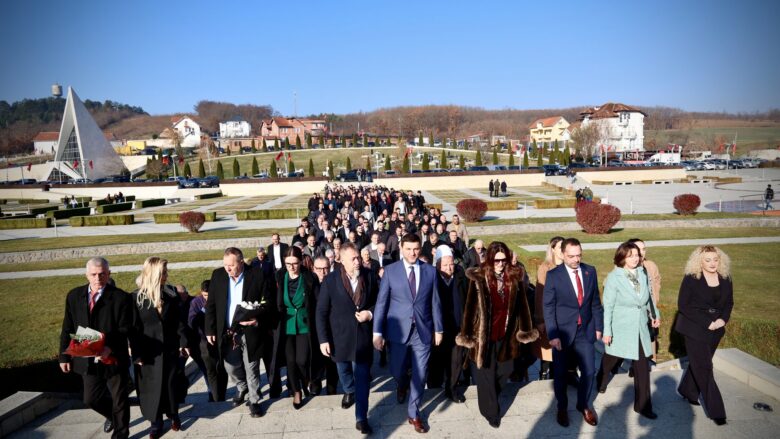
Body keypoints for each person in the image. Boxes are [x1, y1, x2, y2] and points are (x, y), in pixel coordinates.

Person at [456, 242, 538, 428]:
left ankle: (490, 394)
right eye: (497, 260)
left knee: (505, 370)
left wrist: (525, 330)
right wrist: (467, 334)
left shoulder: (514, 277)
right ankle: (491, 412)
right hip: (483, 335)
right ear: (490, 260)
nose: (500, 264)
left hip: (506, 335)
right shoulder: (478, 278)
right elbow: (469, 308)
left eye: (504, 260)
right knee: (485, 373)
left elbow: (523, 307)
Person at [373, 233, 443, 434]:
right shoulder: (390, 271)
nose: (413, 253)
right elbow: (381, 303)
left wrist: (438, 329)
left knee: (420, 374)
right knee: (397, 370)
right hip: (398, 332)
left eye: (416, 249)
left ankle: (414, 413)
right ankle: (401, 384)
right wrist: (377, 332)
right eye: (409, 249)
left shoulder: (430, 271)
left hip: (423, 331)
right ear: (401, 248)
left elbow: (435, 302)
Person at [59, 257, 132, 439]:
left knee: (119, 399)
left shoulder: (121, 297)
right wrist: (63, 356)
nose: (98, 278)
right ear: (86, 275)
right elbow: (68, 327)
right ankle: (113, 417)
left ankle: (121, 434)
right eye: (93, 274)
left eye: (102, 274)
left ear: (109, 274)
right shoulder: (74, 296)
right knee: (91, 399)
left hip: (113, 357)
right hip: (87, 358)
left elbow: (126, 328)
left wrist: (109, 347)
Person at [205, 247, 276, 418]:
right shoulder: (218, 275)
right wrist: (210, 329)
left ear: (241, 262)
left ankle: (254, 400)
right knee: (230, 365)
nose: (227, 269)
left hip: (250, 330)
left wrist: (258, 320)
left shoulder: (257, 275)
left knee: (251, 367)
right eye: (225, 265)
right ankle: (241, 386)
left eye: (231, 265)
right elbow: (211, 306)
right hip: (228, 331)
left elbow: (269, 302)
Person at [316, 242, 379, 435]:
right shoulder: (330, 281)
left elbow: (381, 302)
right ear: (341, 260)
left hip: (363, 338)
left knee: (362, 378)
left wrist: (370, 313)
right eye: (353, 258)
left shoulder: (369, 276)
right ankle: (349, 390)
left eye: (358, 257)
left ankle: (361, 417)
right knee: (343, 370)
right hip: (339, 338)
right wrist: (323, 339)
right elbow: (321, 312)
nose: (358, 261)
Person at [543, 238, 604, 428]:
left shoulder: (590, 271)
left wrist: (599, 327)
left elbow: (595, 302)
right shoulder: (554, 275)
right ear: (562, 254)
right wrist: (553, 335)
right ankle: (562, 407)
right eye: (571, 256)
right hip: (562, 333)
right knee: (560, 373)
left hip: (584, 332)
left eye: (579, 255)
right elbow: (548, 306)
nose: (576, 260)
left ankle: (583, 405)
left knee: (589, 371)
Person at [596, 242, 660, 420]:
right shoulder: (613, 278)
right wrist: (607, 331)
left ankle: (643, 405)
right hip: (620, 327)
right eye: (630, 255)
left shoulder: (642, 272)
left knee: (642, 366)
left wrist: (655, 314)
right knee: (611, 357)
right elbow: (607, 306)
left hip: (640, 327)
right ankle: (601, 377)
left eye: (637, 255)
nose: (635, 258)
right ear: (622, 257)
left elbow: (648, 298)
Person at [129, 257, 189, 438]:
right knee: (151, 389)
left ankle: (174, 414)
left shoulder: (171, 294)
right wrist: (136, 353)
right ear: (154, 274)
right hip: (148, 353)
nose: (167, 275)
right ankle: (156, 423)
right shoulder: (136, 298)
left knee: (171, 385)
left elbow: (180, 322)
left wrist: (183, 343)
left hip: (170, 350)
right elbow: (134, 329)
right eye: (164, 272)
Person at [675, 245, 733, 426]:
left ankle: (688, 390)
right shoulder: (691, 278)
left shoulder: (726, 278)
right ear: (699, 261)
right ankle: (717, 411)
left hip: (717, 329)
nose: (712, 263)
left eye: (715, 259)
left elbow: (729, 302)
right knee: (705, 367)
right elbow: (683, 306)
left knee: (699, 363)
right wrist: (707, 322)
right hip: (694, 328)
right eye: (707, 260)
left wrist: (722, 320)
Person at [273, 246, 320, 410]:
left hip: (304, 324)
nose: (291, 267)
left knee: (302, 359)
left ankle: (307, 379)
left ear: (301, 262)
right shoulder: (279, 276)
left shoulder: (309, 277)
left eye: (295, 263)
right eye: (288, 263)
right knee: (291, 362)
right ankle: (297, 391)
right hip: (285, 325)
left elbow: (317, 302)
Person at [428, 246, 469, 403]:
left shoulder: (461, 277)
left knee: (456, 361)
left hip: (458, 328)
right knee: (436, 361)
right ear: (437, 265)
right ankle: (433, 388)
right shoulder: (431, 278)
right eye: (444, 265)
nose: (448, 268)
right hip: (438, 329)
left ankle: (452, 388)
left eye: (451, 264)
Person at [188, 280, 228, 402]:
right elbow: (191, 321)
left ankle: (221, 394)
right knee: (210, 371)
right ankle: (215, 398)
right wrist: (204, 310)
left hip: (219, 339)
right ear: (201, 293)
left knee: (222, 369)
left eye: (210, 295)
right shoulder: (196, 303)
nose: (208, 298)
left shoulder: (220, 299)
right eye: (205, 295)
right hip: (204, 342)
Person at [532, 236, 564, 380]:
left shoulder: (569, 266)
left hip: (565, 317)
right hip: (549, 316)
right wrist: (540, 319)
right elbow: (540, 295)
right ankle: (544, 376)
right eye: (560, 247)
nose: (563, 250)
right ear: (553, 249)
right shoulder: (545, 268)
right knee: (548, 352)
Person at [311, 257, 339, 395]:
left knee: (332, 362)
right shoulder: (310, 285)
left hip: (333, 329)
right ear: (313, 269)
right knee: (316, 360)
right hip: (315, 330)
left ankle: (331, 388)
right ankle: (315, 385)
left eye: (326, 268)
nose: (323, 272)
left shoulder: (336, 283)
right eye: (319, 269)